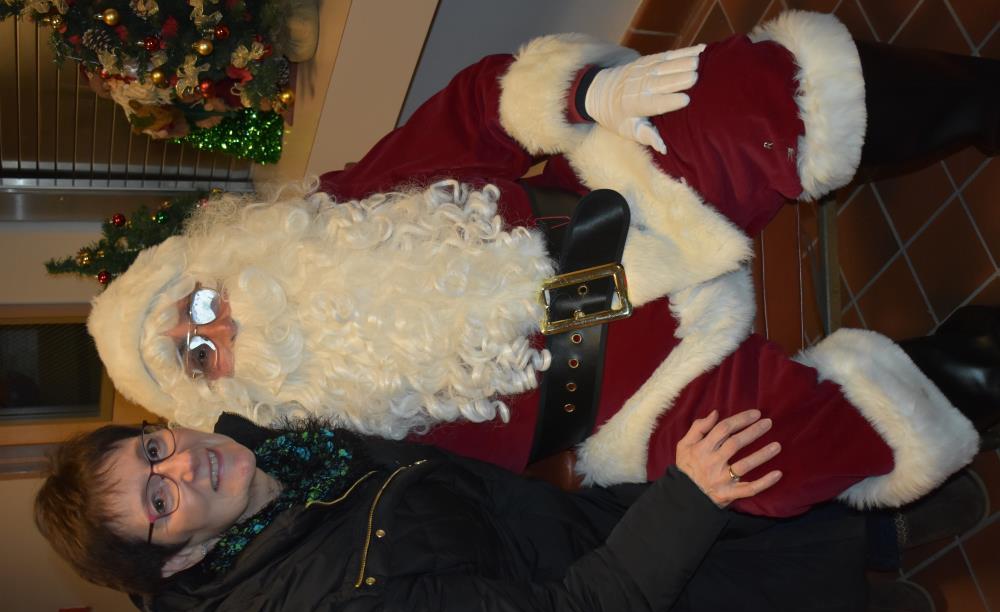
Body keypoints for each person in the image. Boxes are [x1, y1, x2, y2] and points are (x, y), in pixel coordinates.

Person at [83, 10, 998, 517]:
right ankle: (964, 373)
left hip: (624, 211)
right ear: (215, 395)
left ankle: (975, 102)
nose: (221, 328)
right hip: (638, 391)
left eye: (195, 303)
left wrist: (591, 89)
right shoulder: (327, 458)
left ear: (218, 261)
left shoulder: (342, 210)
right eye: (196, 353)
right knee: (773, 468)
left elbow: (480, 105)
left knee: (768, 97)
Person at [35, 410, 983, 612]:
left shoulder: (279, 449)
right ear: (184, 558)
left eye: (152, 448)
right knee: (768, 597)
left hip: (574, 527)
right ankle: (863, 598)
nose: (181, 467)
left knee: (773, 522)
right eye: (157, 503)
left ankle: (878, 533)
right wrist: (686, 497)